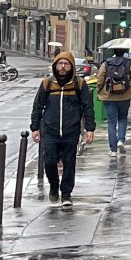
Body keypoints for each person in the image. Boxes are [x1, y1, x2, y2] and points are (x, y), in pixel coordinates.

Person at [30, 52, 95, 201]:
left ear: (71, 66)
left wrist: (89, 129)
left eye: (66, 64)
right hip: (50, 130)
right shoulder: (47, 83)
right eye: (60, 64)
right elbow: (38, 106)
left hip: (71, 131)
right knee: (50, 161)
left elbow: (88, 107)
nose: (63, 67)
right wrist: (35, 127)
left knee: (69, 162)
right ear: (55, 66)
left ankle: (66, 194)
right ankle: (54, 185)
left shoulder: (79, 84)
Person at [93, 45, 131, 156]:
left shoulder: (106, 63)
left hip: (109, 96)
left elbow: (100, 79)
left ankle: (112, 150)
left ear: (114, 51)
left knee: (111, 121)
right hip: (125, 95)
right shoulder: (129, 63)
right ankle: (121, 140)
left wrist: (100, 90)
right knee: (122, 118)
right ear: (125, 52)